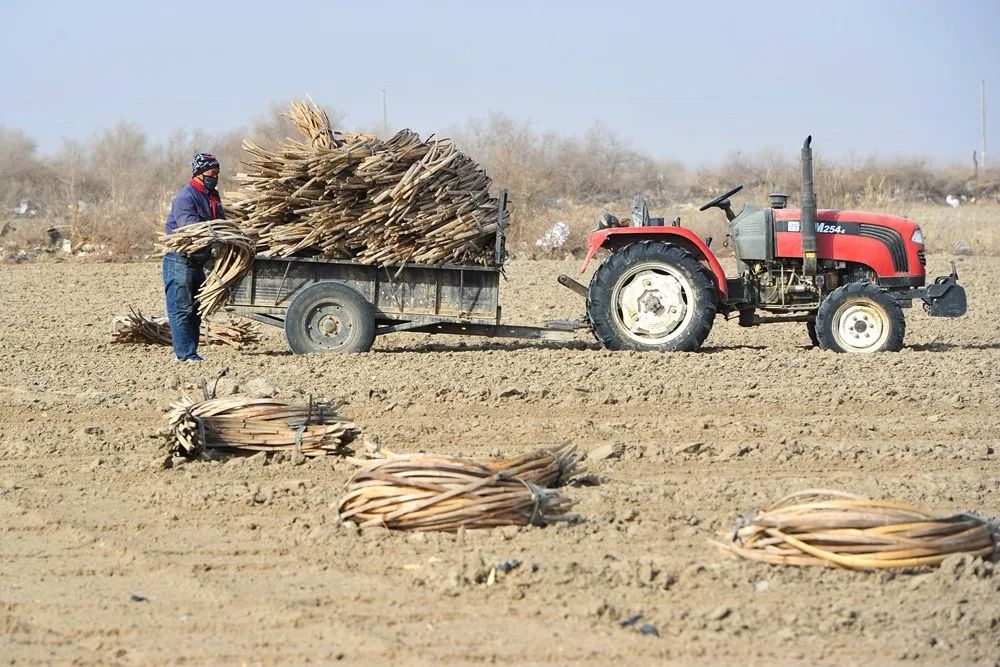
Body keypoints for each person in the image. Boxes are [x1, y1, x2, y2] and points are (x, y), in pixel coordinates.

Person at [162, 153, 225, 362]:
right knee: (181, 309)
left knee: (196, 309)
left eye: (217, 173)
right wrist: (215, 233)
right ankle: (185, 355)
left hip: (199, 260)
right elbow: (191, 229)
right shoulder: (184, 197)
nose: (215, 177)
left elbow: (221, 222)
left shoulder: (213, 195)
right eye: (211, 173)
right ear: (198, 174)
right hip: (180, 260)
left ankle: (192, 353)